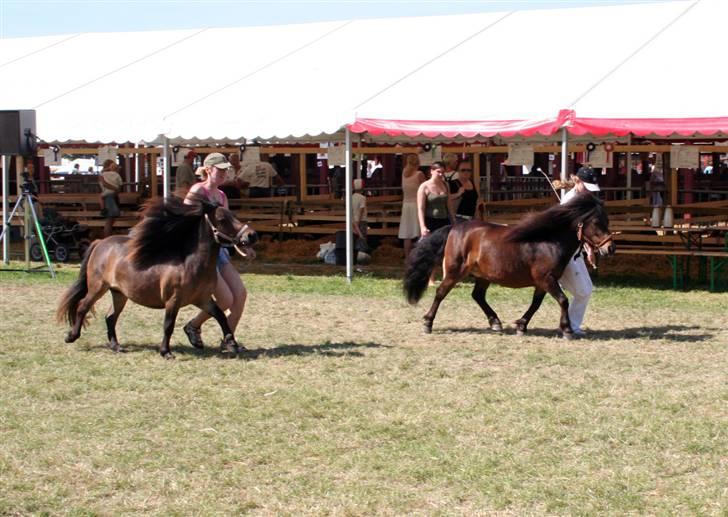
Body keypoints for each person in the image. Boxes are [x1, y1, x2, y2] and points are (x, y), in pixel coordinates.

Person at [182, 152, 247, 350]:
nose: (224, 173)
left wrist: (241, 245)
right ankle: (193, 326)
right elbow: (185, 222)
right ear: (208, 170)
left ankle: (228, 341)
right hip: (202, 254)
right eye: (220, 170)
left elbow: (227, 227)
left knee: (240, 295)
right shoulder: (196, 192)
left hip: (219, 252)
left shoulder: (221, 195)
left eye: (226, 170)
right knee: (226, 299)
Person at [559, 166, 600, 338]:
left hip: (576, 252)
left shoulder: (585, 199)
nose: (590, 192)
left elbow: (584, 229)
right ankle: (570, 326)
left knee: (587, 289)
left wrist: (589, 248)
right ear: (577, 182)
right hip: (565, 254)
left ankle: (571, 324)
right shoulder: (569, 202)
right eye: (587, 186)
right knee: (583, 291)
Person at [417, 161, 455, 285]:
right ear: (431, 171)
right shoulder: (424, 186)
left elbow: (449, 204)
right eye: (438, 172)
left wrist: (453, 220)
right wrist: (423, 226)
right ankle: (431, 278)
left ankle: (446, 278)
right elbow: (420, 208)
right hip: (430, 221)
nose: (440, 175)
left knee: (446, 250)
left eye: (442, 173)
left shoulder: (445, 185)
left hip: (444, 221)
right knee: (432, 251)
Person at [398, 153, 425, 260]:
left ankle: (407, 257)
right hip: (416, 204)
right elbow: (425, 188)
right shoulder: (419, 174)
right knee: (419, 231)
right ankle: (419, 256)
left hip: (406, 205)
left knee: (407, 233)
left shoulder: (404, 173)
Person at [99, 159, 123, 238]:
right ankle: (107, 237)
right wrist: (115, 189)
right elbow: (118, 187)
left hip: (108, 196)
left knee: (110, 220)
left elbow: (104, 185)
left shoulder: (103, 174)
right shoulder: (115, 175)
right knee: (110, 220)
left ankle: (108, 236)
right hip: (112, 197)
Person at [352, 178, 369, 253]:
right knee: (362, 237)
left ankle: (354, 254)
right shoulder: (362, 198)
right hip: (361, 220)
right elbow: (361, 210)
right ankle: (361, 255)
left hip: (353, 221)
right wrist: (358, 222)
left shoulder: (351, 197)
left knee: (354, 238)